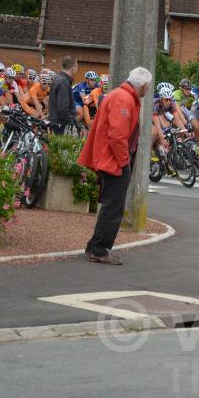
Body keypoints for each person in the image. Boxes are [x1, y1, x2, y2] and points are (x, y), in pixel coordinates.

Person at [78, 67, 151, 265]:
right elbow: (118, 136)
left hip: (109, 159)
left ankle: (95, 246)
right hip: (113, 161)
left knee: (110, 206)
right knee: (113, 208)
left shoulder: (119, 95)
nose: (147, 90)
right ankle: (99, 249)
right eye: (147, 87)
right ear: (143, 86)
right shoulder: (124, 99)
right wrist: (124, 161)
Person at [49, 55, 79, 134]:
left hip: (56, 122)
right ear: (73, 67)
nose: (77, 68)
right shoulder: (63, 82)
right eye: (77, 66)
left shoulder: (57, 78)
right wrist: (71, 124)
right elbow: (63, 108)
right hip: (61, 125)